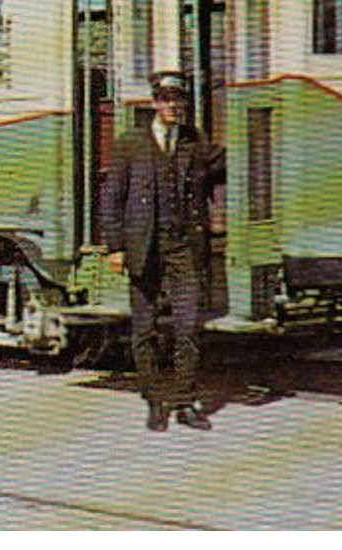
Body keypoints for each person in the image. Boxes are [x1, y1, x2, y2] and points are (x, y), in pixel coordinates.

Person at [98, 70, 226, 432]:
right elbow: (112, 199)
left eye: (178, 99)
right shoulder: (129, 144)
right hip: (143, 247)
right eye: (166, 99)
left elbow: (222, 166)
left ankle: (185, 402)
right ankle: (155, 402)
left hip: (183, 246)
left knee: (187, 326)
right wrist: (116, 247)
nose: (172, 105)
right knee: (145, 328)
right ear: (154, 102)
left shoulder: (193, 141)